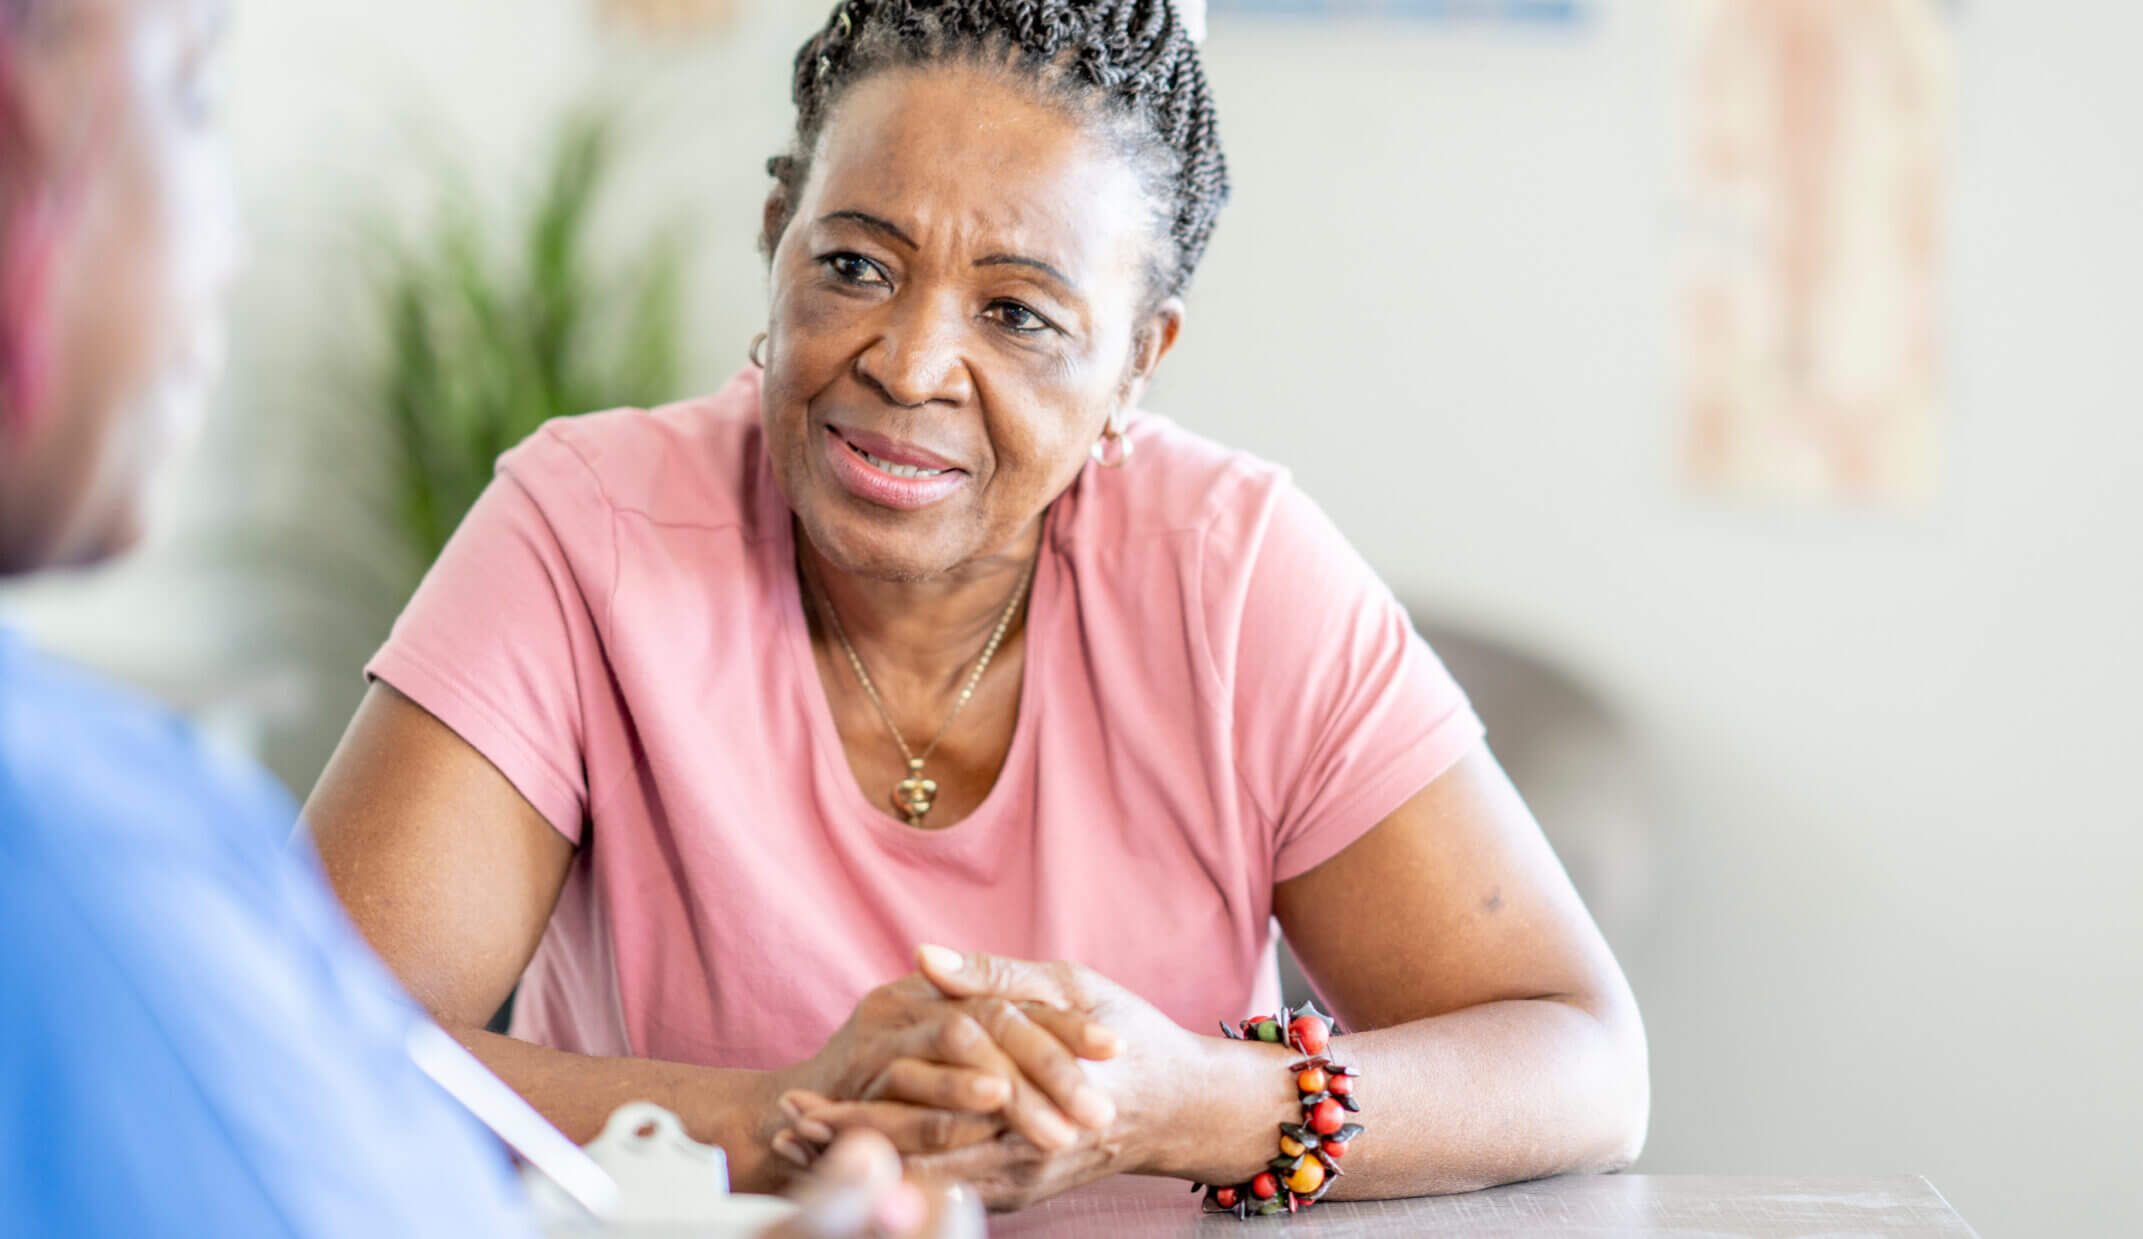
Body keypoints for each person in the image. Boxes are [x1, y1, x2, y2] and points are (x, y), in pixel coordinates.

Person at [305, 0, 1650, 1211]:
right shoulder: (584, 530)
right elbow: (296, 1038)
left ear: (1137, 362)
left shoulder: (1233, 575)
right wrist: (797, 1123)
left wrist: (1177, 1099)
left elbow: (1580, 1058)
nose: (910, 363)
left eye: (1017, 313)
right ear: (777, 238)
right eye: (856, 266)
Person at [0, 1, 970, 1234]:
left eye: (1020, 312)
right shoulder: (77, 855)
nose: (226, 243)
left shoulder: (1233, 552)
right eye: (190, 99)